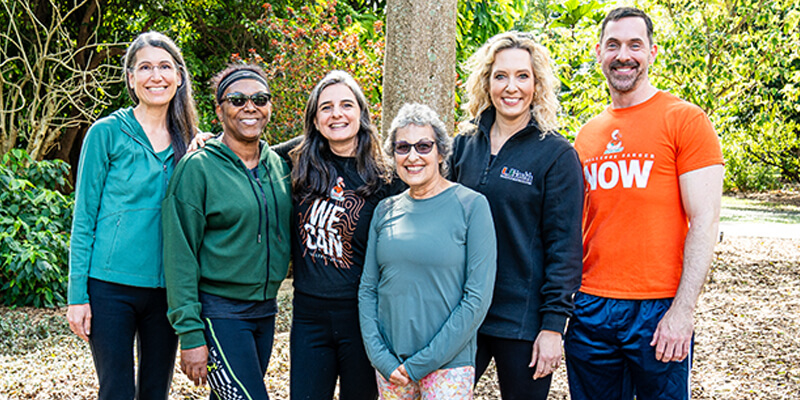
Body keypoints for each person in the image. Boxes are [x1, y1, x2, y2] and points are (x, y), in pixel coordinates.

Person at [564, 7, 724, 399]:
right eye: (614, 45)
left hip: (657, 309)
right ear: (598, 52)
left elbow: (705, 220)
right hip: (590, 308)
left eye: (635, 45)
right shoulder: (587, 135)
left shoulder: (685, 119)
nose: (624, 55)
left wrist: (682, 311)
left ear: (652, 52)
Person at [449, 31, 584, 399]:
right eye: (501, 75)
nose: (512, 87)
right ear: (486, 82)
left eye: (522, 76)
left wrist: (553, 327)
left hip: (523, 322)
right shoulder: (463, 145)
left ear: (537, 84)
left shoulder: (556, 155)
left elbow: (565, 248)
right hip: (464, 316)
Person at [66, 31, 197, 400]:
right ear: (131, 79)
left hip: (166, 292)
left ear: (179, 76)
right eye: (145, 67)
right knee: (117, 390)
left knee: (156, 392)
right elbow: (84, 218)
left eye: (165, 67)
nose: (156, 76)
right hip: (109, 289)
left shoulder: (190, 143)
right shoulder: (105, 134)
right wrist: (78, 295)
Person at [162, 64, 292, 400]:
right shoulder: (197, 168)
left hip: (266, 311)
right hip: (220, 313)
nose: (250, 107)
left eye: (260, 99)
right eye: (237, 100)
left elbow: (326, 134)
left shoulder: (276, 166)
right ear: (219, 110)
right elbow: (180, 256)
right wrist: (190, 334)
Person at [270, 70, 401, 400]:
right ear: (314, 119)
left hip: (364, 318)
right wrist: (207, 143)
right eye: (326, 107)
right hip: (308, 316)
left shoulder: (386, 175)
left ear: (361, 113)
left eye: (346, 104)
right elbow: (245, 152)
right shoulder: (296, 159)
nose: (337, 114)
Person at [358, 103, 497, 399]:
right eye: (402, 147)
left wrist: (421, 363)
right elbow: (368, 288)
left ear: (440, 151)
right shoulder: (385, 210)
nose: (412, 156)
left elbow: (477, 299)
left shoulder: (472, 206)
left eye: (423, 146)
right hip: (392, 366)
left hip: (448, 365)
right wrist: (380, 357)